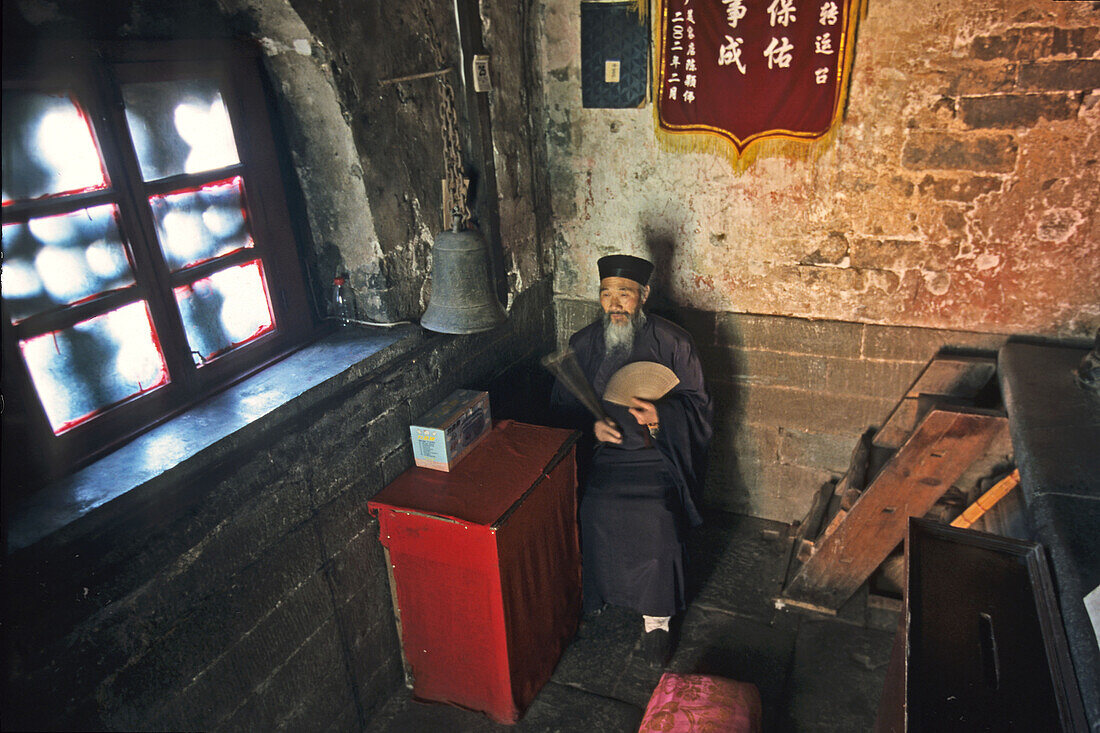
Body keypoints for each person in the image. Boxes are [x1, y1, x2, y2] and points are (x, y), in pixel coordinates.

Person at [551, 254, 712, 666]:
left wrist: (662, 415)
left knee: (656, 517)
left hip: (659, 456)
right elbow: (564, 406)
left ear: (643, 296)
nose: (615, 304)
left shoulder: (673, 343)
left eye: (625, 294)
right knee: (592, 508)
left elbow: (699, 405)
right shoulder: (585, 343)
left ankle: (656, 619)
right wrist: (592, 430)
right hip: (609, 456)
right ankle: (600, 595)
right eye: (607, 294)